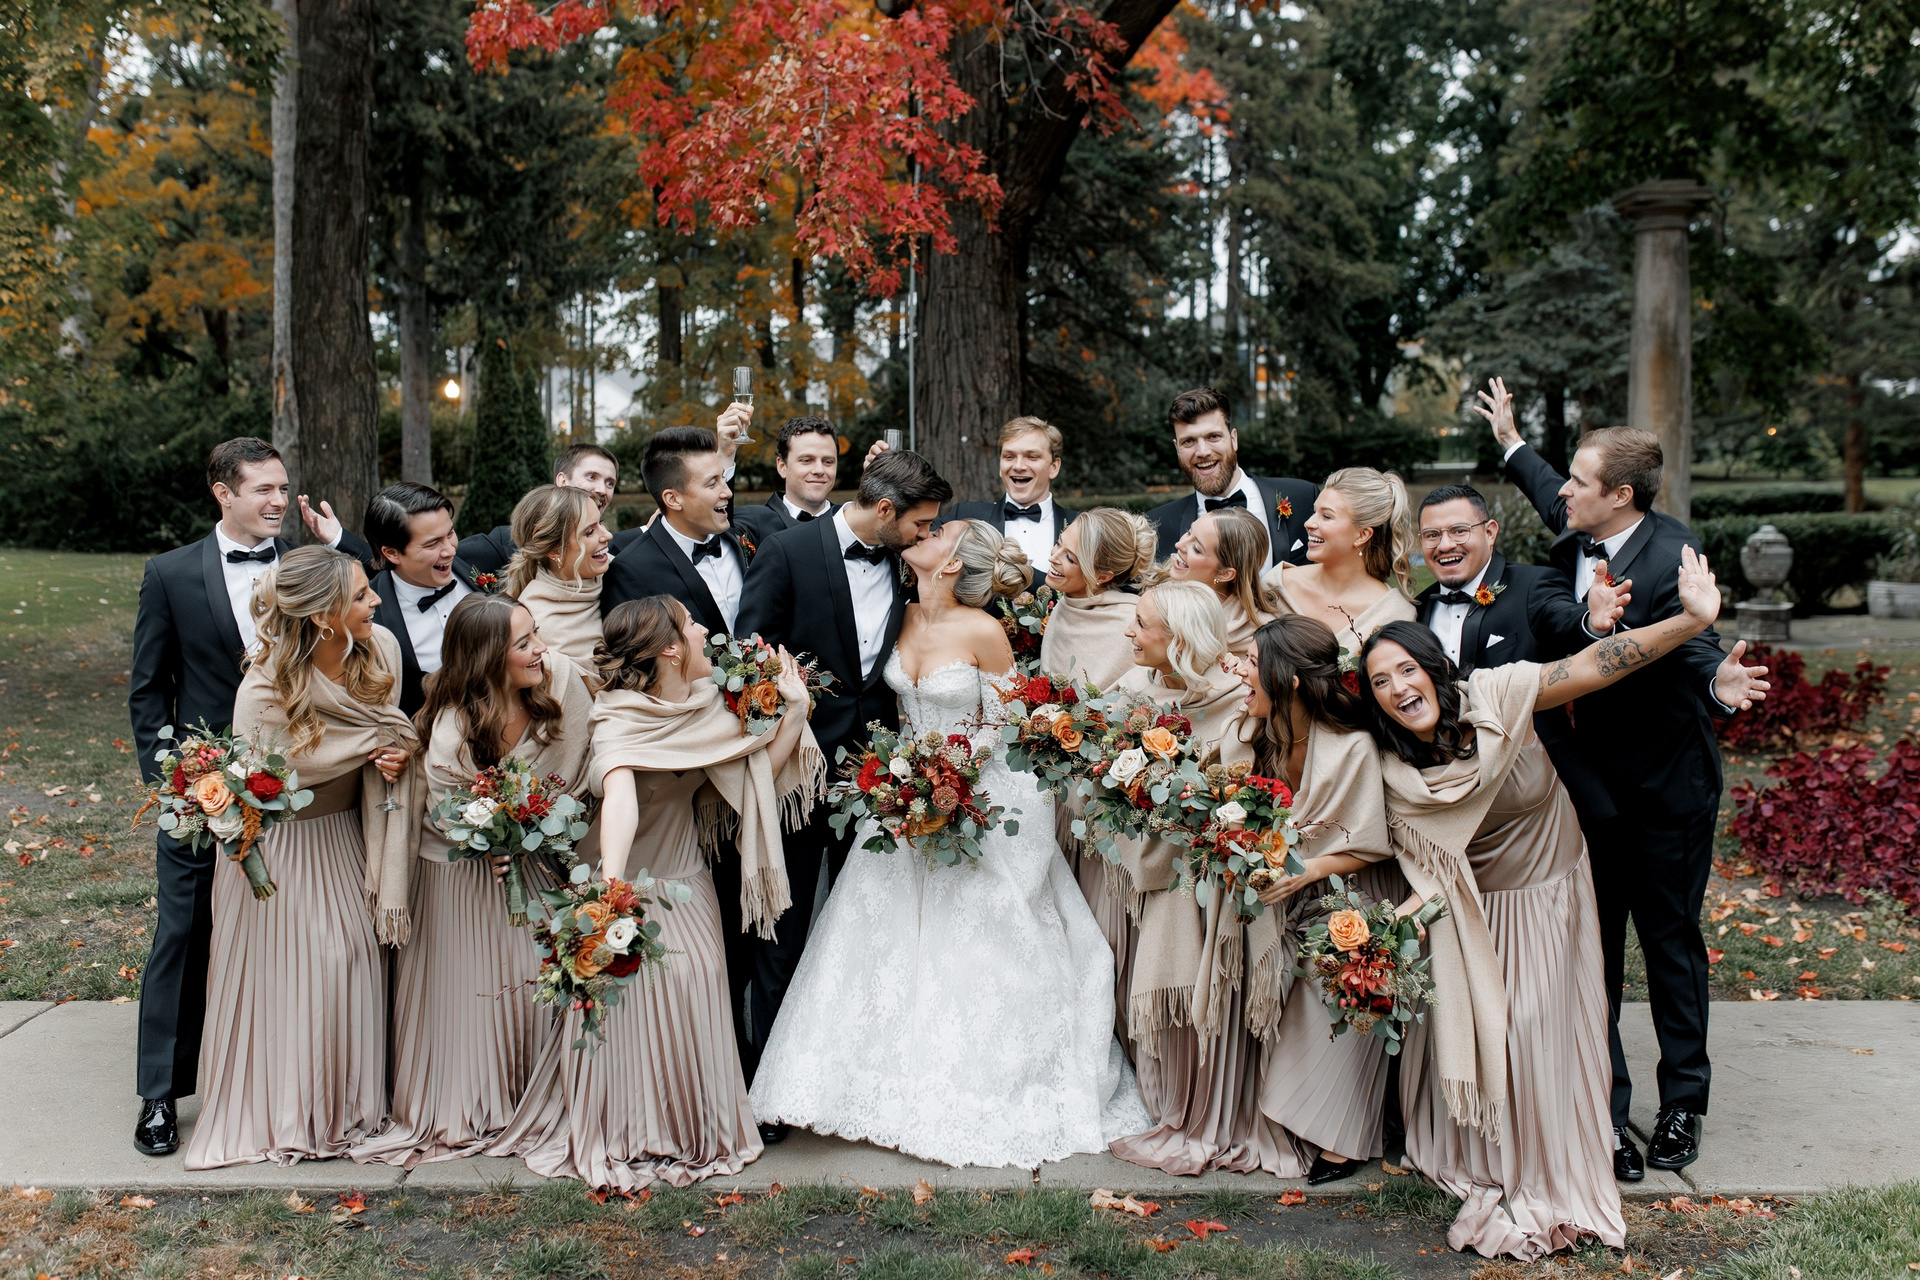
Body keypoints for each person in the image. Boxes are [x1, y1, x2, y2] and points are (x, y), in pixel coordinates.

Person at [1357, 550, 1762, 1257]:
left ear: (1435, 668)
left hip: (1548, 884)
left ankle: (1580, 1133)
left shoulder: (1495, 694)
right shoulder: (1389, 764)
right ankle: (1494, 1139)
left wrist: (1691, 621)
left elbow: (1595, 664)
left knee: (1536, 1024)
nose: (1398, 687)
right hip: (1474, 904)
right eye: (1380, 681)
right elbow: (1400, 855)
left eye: (1407, 669)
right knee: (1493, 1029)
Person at [749, 519, 1148, 1167]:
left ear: (955, 562)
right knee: (881, 941)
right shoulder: (899, 614)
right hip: (899, 797)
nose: (926, 531)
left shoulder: (984, 630)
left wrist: (950, 775)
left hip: (973, 796)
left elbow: (1006, 719)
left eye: (940, 531)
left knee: (972, 940)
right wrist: (905, 779)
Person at [1483, 378, 1770, 1178]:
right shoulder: (1582, 529)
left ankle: (1682, 1105)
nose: (1564, 491)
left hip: (1667, 788)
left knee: (1670, 944)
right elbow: (1547, 488)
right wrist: (1511, 442)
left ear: (1621, 497)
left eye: (1580, 480)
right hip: (1586, 789)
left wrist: (1719, 683)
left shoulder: (1673, 552)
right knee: (1595, 948)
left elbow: (1691, 642)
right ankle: (1605, 1110)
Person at [489, 596, 821, 1189]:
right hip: (629, 883)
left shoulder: (706, 706)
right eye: (691, 625)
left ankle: (693, 1124)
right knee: (631, 1010)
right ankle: (630, 1126)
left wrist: (794, 711)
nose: (703, 631)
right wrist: (610, 890)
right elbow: (620, 798)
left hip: (689, 879)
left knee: (696, 992)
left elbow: (750, 780)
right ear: (670, 648)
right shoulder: (618, 716)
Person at [126, 436, 373, 1158]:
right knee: (183, 930)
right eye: (263, 489)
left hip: (309, 788)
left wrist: (341, 542)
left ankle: (287, 1079)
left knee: (298, 936)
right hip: (208, 790)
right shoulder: (171, 573)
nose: (278, 501)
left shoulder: (308, 564)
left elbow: (370, 601)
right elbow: (149, 690)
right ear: (223, 493)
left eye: (282, 487)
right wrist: (173, 785)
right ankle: (160, 1094)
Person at [733, 449, 951, 1128]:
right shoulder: (787, 551)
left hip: (880, 777)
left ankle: (855, 1084)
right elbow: (750, 656)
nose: (926, 535)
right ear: (884, 510)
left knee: (867, 931)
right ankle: (770, 1094)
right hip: (798, 773)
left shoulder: (906, 561)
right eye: (919, 523)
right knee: (787, 928)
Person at [182, 546, 419, 1168]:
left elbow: (390, 735)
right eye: (361, 595)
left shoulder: (381, 651)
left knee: (354, 964)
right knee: (305, 976)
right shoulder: (265, 689)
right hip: (282, 849)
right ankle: (292, 1113)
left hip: (345, 835)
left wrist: (395, 756)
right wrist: (374, 743)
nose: (376, 601)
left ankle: (349, 1111)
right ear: (321, 616)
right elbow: (276, 776)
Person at [350, 594, 595, 1168]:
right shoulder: (452, 728)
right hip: (457, 875)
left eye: (537, 634)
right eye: (524, 643)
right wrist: (491, 840)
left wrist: (533, 830)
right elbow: (450, 810)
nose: (541, 650)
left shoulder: (559, 688)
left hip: (536, 865)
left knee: (531, 979)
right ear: (488, 659)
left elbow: (583, 763)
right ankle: (471, 1101)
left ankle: (533, 1095)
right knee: (474, 992)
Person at [1103, 580, 1294, 1176]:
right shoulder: (1134, 687)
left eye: (1142, 623)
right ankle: (1173, 1102)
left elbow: (1254, 795)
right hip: (1152, 867)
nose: (1129, 632)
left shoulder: (1238, 700)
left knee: (1206, 993)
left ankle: (1215, 1107)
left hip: (1215, 876)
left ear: (1180, 639)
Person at [1231, 616, 1398, 1184]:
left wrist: (1303, 873)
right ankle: (1284, 1113)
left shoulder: (1351, 748)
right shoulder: (1264, 735)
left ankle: (1340, 1136)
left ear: (1291, 679)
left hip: (1351, 889)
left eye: (1253, 663)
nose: (1242, 672)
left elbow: (1370, 845)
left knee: (1341, 989)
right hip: (1284, 888)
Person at [1414, 482, 1620, 821]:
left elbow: (1564, 621)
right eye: (1431, 535)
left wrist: (1590, 622)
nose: (1445, 545)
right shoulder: (1418, 608)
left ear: (1490, 532)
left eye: (1459, 531)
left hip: (1541, 780)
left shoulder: (1534, 586)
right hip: (1457, 790)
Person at [601, 427, 754, 635]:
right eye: (712, 484)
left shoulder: (742, 536)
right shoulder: (630, 572)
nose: (727, 492)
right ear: (673, 499)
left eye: (723, 479)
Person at [1144, 387, 1316, 567]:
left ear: (1234, 439)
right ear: (1177, 448)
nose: (1202, 451)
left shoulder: (1303, 498)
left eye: (1213, 437)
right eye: (1188, 441)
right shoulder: (1157, 528)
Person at [363, 482, 493, 717]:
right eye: (433, 543)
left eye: (450, 534)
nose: (450, 550)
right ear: (392, 553)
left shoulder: (483, 556)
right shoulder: (372, 621)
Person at [1264, 466, 1418, 659]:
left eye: (1326, 516)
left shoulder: (1393, 614)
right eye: (1314, 512)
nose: (1308, 523)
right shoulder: (1276, 586)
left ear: (1362, 535)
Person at [940, 416, 1079, 589]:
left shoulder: (1080, 526)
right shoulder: (963, 516)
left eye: (1032, 457)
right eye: (1009, 456)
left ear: (1054, 467)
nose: (1018, 466)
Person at [457, 443, 624, 575]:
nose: (603, 490)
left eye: (610, 483)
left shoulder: (610, 551)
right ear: (562, 481)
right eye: (591, 477)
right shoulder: (505, 542)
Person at [1039, 507, 1158, 691]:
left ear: (1102, 576)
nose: (1053, 557)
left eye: (1070, 558)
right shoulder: (1063, 606)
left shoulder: (1131, 623)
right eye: (1058, 543)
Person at [506, 485, 612, 670]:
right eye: (589, 532)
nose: (608, 535)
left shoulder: (619, 569)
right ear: (555, 550)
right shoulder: (537, 623)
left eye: (600, 523)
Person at [1161, 505, 1276, 655]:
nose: (1179, 544)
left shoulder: (1257, 639)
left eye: (1196, 548)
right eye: (1189, 532)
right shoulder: (1158, 587)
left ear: (1225, 574)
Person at [733, 415, 843, 543]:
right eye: (807, 460)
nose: (819, 470)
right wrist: (725, 454)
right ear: (782, 466)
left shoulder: (848, 522)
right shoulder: (752, 522)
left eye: (828, 462)